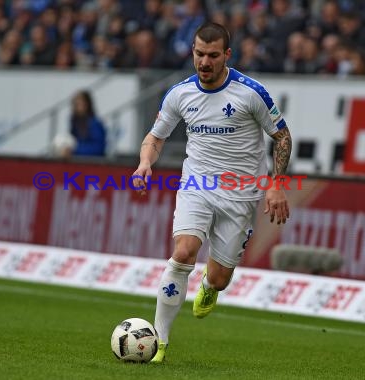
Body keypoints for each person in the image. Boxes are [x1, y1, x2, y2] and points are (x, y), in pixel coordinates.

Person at [131, 22, 292, 363]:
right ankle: (159, 342)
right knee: (185, 251)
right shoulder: (179, 94)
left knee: (219, 278)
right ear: (193, 52)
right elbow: (155, 137)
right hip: (197, 186)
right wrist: (145, 162)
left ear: (227, 55)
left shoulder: (251, 93)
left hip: (242, 194)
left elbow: (282, 137)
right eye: (199, 54)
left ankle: (209, 285)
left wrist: (276, 185)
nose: (204, 62)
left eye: (213, 55)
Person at [69, 90, 107, 156]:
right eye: (74, 104)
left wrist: (74, 150)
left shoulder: (94, 123)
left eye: (78, 104)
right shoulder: (75, 122)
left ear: (86, 105)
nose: (75, 108)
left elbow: (98, 148)